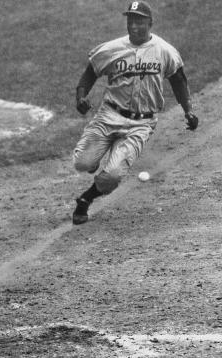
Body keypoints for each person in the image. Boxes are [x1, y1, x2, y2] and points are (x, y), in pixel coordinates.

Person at [71, 1, 199, 225]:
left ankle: (86, 199)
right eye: (131, 20)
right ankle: (93, 160)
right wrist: (81, 97)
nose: (134, 26)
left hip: (142, 123)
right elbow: (91, 71)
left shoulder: (164, 51)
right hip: (109, 115)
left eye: (139, 21)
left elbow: (178, 80)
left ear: (150, 23)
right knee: (82, 163)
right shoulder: (112, 48)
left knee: (112, 175)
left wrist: (188, 110)